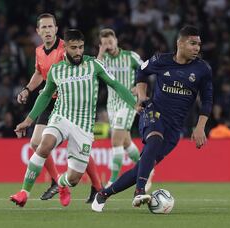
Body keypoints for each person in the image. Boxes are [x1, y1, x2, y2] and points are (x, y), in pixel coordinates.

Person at [91, 25, 213, 212]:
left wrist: (200, 127)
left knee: (140, 169)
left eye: (198, 44)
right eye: (192, 43)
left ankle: (104, 194)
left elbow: (207, 100)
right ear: (180, 43)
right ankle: (139, 191)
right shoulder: (160, 60)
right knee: (154, 139)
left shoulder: (202, 69)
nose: (197, 48)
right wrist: (142, 95)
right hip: (153, 113)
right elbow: (142, 71)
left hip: (174, 127)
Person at [10, 29, 136, 207]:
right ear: (65, 48)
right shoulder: (57, 70)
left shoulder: (94, 65)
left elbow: (116, 84)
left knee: (74, 178)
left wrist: (136, 104)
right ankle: (24, 192)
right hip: (61, 117)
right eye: (73, 48)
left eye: (81, 47)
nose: (78, 52)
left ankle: (61, 184)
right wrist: (28, 121)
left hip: (83, 126)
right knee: (43, 145)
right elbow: (45, 96)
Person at [17, 13, 102, 201]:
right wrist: (28, 89)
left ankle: (95, 186)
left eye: (50, 27)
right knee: (35, 143)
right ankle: (58, 182)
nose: (47, 31)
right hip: (49, 101)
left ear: (56, 29)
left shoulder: (67, 48)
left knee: (79, 145)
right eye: (44, 28)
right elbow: (39, 73)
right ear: (38, 31)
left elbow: (82, 65)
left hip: (68, 103)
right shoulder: (39, 51)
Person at [87, 28, 153, 204]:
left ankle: (112, 181)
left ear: (116, 40)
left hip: (129, 102)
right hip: (112, 104)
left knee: (116, 139)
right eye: (105, 42)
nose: (109, 45)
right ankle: (146, 169)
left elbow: (146, 70)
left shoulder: (130, 56)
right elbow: (93, 73)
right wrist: (100, 52)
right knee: (125, 141)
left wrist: (138, 89)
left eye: (110, 41)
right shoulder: (103, 59)